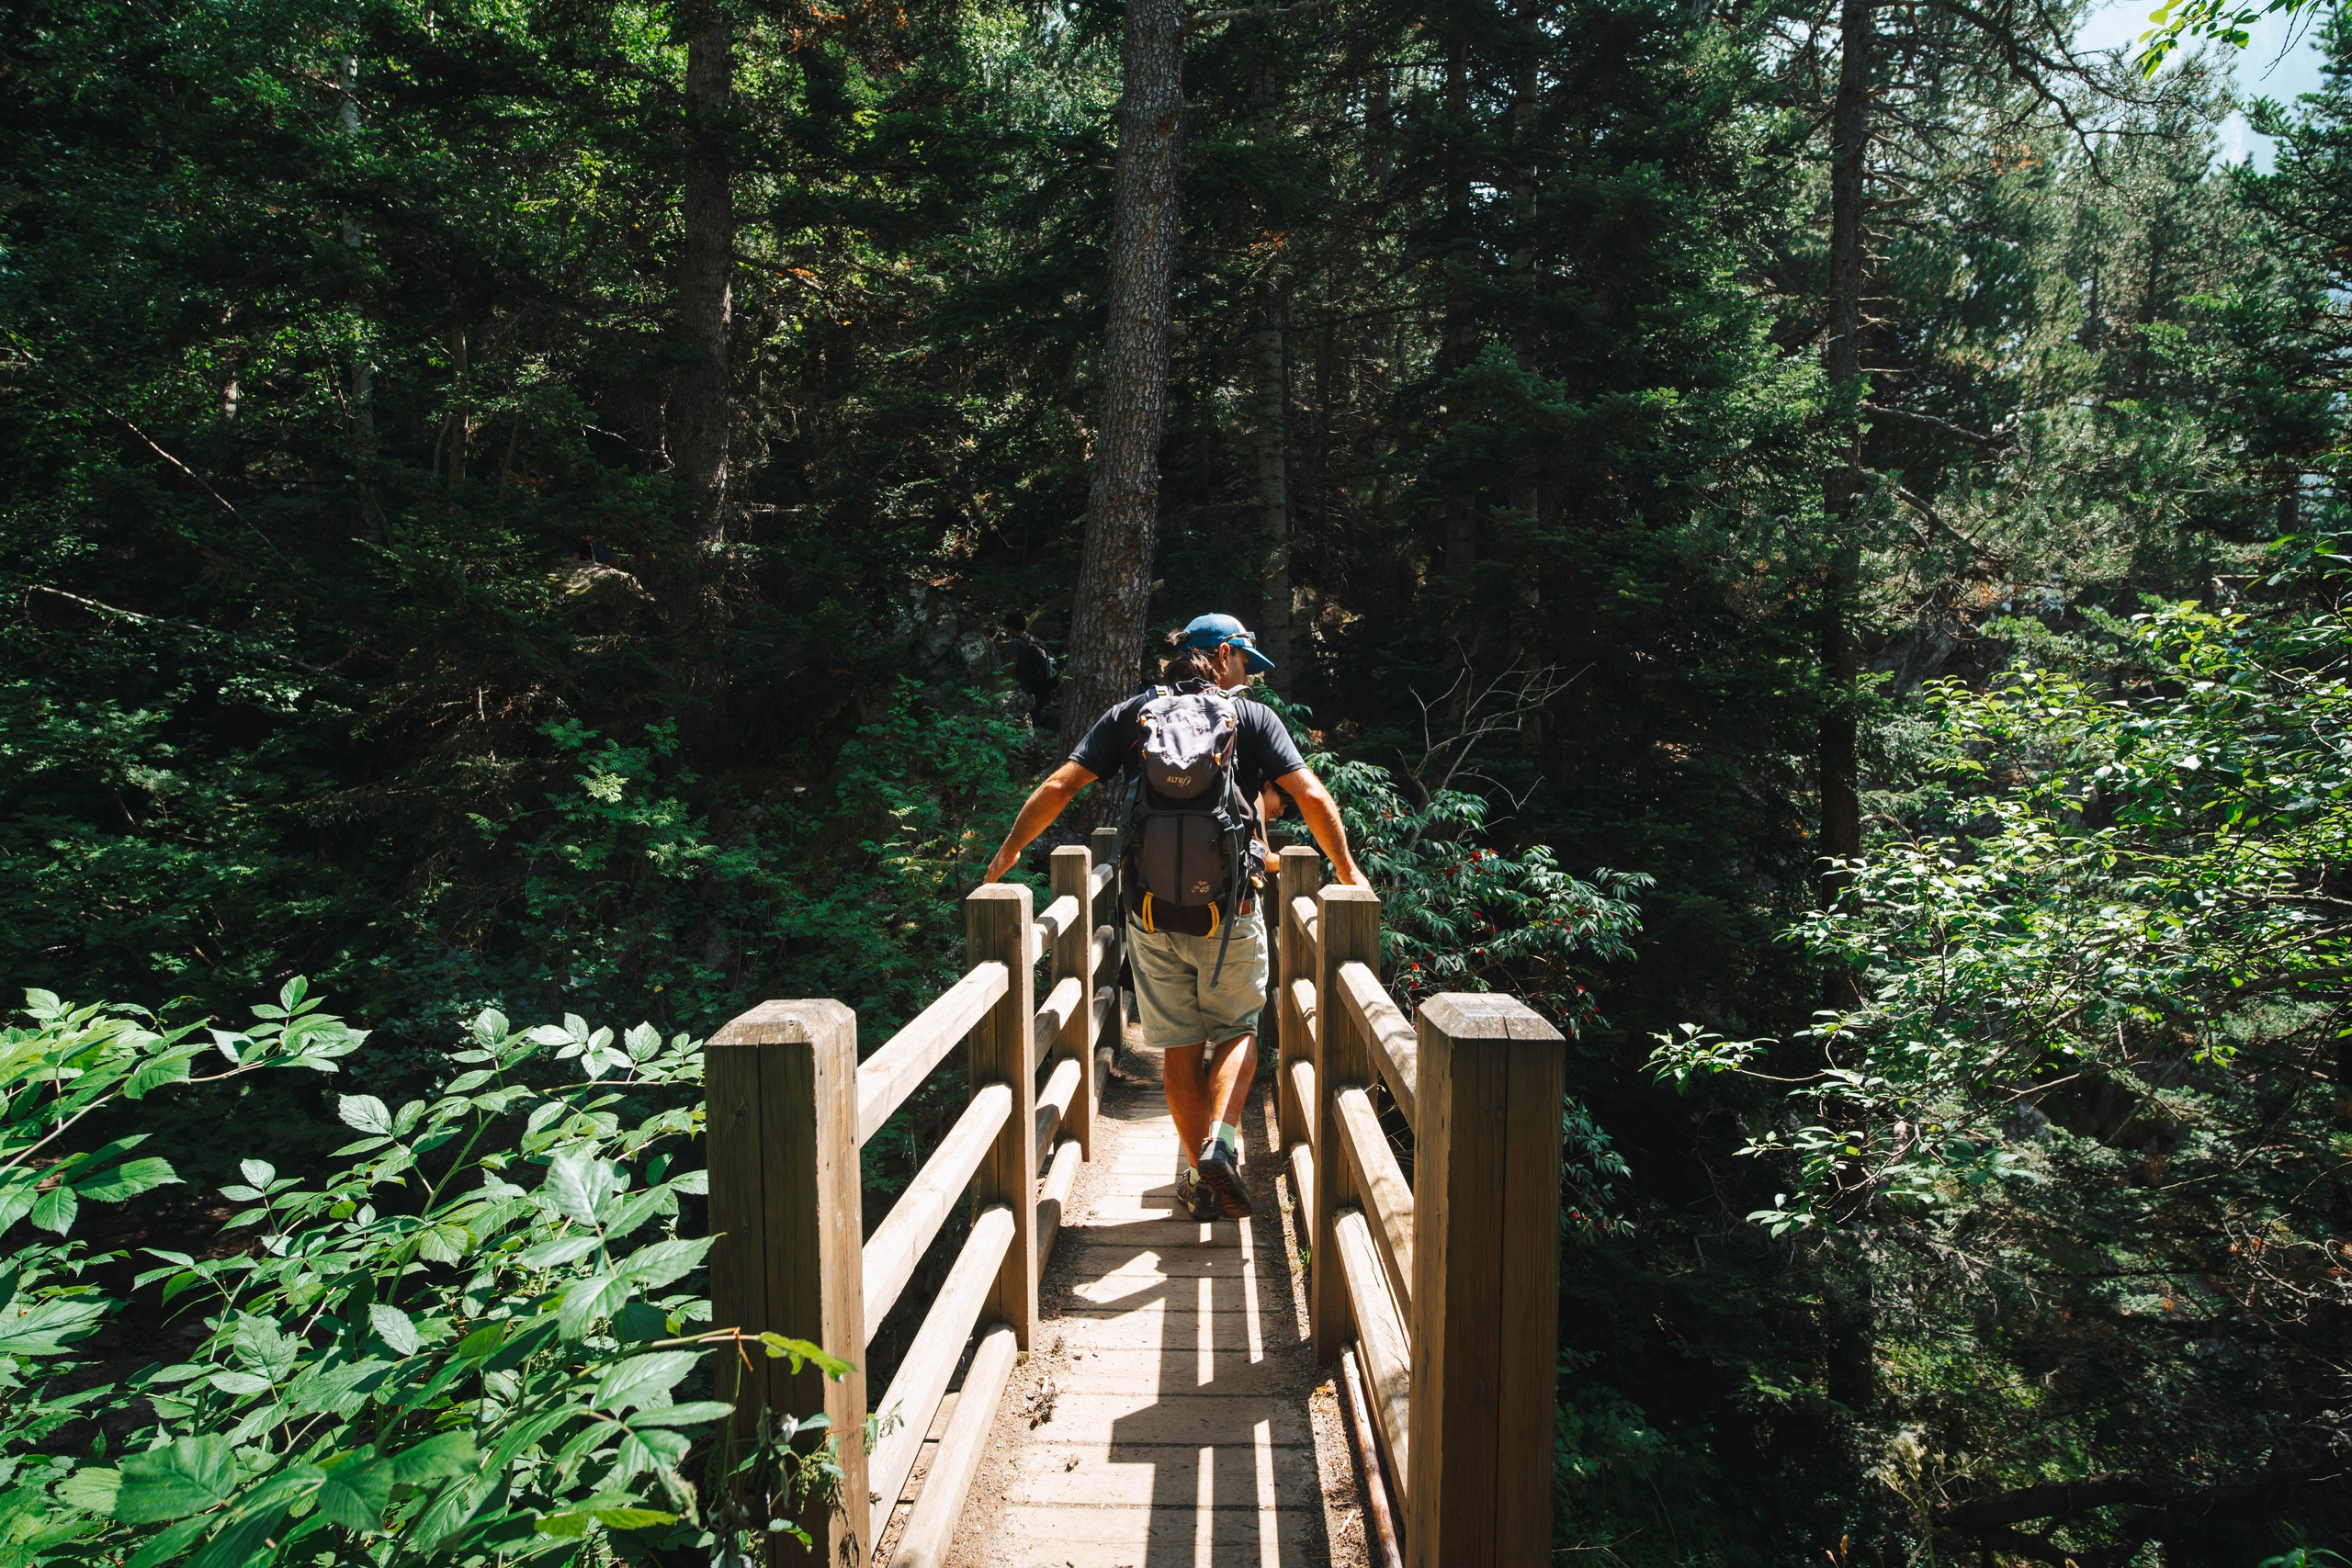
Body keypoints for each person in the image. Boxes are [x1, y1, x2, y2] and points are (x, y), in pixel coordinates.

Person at [982, 614, 1368, 1223]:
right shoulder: (1252, 720)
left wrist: (1006, 852)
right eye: (1244, 661)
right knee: (1239, 1027)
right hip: (1232, 912)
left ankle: (1200, 1178)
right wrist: (1348, 872)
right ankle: (1223, 1144)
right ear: (1219, 656)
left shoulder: (1134, 715)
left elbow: (1061, 786)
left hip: (1151, 914)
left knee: (1181, 1050)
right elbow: (1314, 797)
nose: (1249, 676)